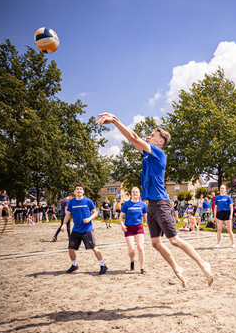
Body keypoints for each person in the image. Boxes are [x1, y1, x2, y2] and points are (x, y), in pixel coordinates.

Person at [96, 113, 213, 288]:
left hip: (160, 202)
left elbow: (134, 137)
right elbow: (132, 140)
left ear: (160, 142)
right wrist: (116, 123)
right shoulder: (147, 155)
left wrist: (114, 120)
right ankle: (177, 268)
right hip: (150, 204)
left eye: (152, 135)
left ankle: (203, 263)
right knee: (156, 243)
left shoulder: (158, 153)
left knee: (174, 240)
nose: (148, 136)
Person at [61, 183, 108, 274]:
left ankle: (103, 265)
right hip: (76, 229)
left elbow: (95, 212)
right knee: (70, 248)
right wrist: (63, 224)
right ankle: (74, 265)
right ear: (74, 191)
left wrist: (89, 218)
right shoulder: (71, 202)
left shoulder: (88, 201)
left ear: (83, 191)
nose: (79, 190)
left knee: (94, 248)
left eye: (80, 189)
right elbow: (67, 215)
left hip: (87, 229)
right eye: (77, 189)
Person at [119, 186, 148, 273]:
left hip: (139, 227)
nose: (135, 193)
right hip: (128, 228)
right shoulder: (126, 204)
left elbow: (146, 218)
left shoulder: (143, 205)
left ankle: (142, 268)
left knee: (140, 248)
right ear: (131, 194)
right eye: (133, 192)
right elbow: (121, 217)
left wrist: (149, 224)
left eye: (137, 192)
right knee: (131, 250)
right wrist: (122, 225)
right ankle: (132, 260)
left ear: (139, 194)